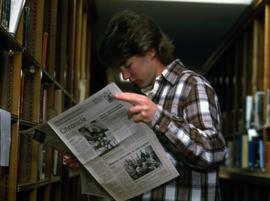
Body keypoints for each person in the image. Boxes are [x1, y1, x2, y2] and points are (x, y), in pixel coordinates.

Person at [65, 10, 227, 201]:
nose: (125, 76)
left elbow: (213, 153)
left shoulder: (192, 86)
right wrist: (89, 160)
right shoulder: (142, 96)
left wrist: (158, 118)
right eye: (120, 69)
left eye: (128, 65)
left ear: (150, 51)